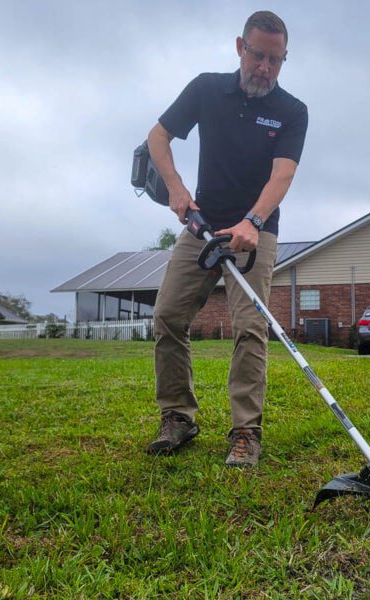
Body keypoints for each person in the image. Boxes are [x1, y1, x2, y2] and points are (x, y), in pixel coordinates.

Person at [145, 11, 308, 467]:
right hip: (203, 225)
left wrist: (253, 221)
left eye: (275, 60)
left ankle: (245, 433)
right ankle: (178, 416)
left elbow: (284, 174)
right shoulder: (205, 89)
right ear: (240, 47)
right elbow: (158, 137)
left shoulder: (292, 112)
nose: (265, 68)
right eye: (258, 56)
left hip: (255, 231)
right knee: (168, 316)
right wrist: (176, 189)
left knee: (249, 327)